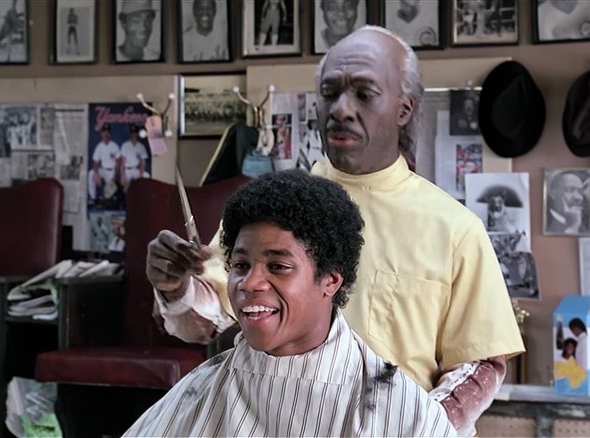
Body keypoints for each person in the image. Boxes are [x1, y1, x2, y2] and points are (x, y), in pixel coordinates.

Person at [146, 25, 524, 437]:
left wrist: (409, 423)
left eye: (364, 93)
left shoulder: (455, 228)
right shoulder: (275, 211)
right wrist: (175, 287)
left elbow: (480, 364)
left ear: (404, 108)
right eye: (330, 93)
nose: (341, 108)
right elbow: (201, 321)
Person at [126, 170, 458, 437]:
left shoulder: (401, 414)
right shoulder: (202, 392)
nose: (249, 283)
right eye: (240, 265)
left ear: (330, 279)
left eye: (278, 266)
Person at [545, 170, 590, 235]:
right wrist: (573, 227)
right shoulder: (545, 223)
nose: (578, 197)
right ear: (553, 193)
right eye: (570, 190)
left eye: (580, 192)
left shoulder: (585, 224)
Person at [88, 123, 121, 201]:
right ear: (101, 134)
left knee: (111, 196)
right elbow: (95, 162)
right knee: (91, 173)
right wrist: (96, 174)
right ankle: (93, 198)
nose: (106, 134)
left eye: (107, 132)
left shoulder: (114, 146)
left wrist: (114, 177)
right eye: (104, 132)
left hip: (112, 172)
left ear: (110, 134)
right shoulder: (99, 146)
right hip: (103, 170)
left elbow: (118, 162)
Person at [119, 124, 150, 191]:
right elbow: (122, 162)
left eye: (135, 133)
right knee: (125, 188)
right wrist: (122, 175)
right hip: (127, 170)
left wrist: (141, 175)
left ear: (137, 134)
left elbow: (143, 163)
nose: (134, 135)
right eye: (133, 133)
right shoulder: (125, 145)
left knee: (147, 175)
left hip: (135, 170)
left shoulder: (141, 146)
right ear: (130, 134)